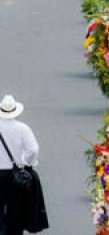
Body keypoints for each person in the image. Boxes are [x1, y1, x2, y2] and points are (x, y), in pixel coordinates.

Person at [0, 94, 47, 235]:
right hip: (15, 175)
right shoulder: (22, 128)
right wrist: (27, 162)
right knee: (16, 210)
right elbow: (33, 150)